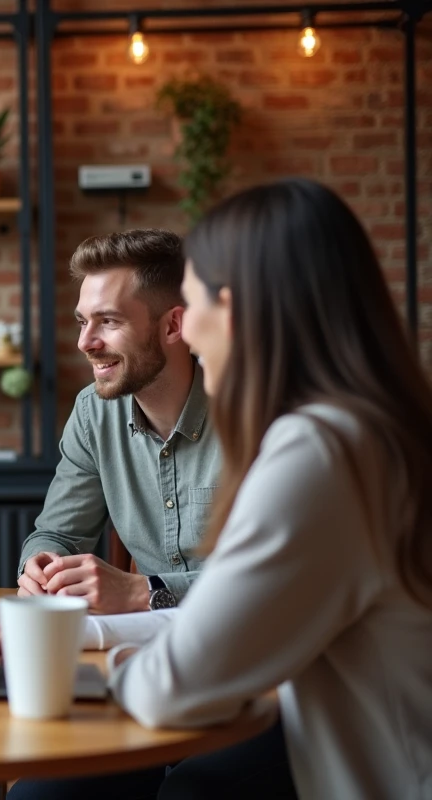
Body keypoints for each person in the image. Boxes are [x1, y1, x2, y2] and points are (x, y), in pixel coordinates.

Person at [105, 178, 432, 798]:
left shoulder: (322, 453)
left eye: (193, 302)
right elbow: (228, 625)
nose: (191, 336)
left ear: (235, 310)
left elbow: (174, 687)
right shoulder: (379, 432)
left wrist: (88, 669)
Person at [0, 229, 222, 621]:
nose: (85, 342)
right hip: (149, 644)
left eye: (108, 321)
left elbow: (281, 574)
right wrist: (41, 566)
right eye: (83, 322)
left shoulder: (251, 411)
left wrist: (146, 591)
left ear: (172, 326)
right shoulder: (93, 413)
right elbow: (58, 534)